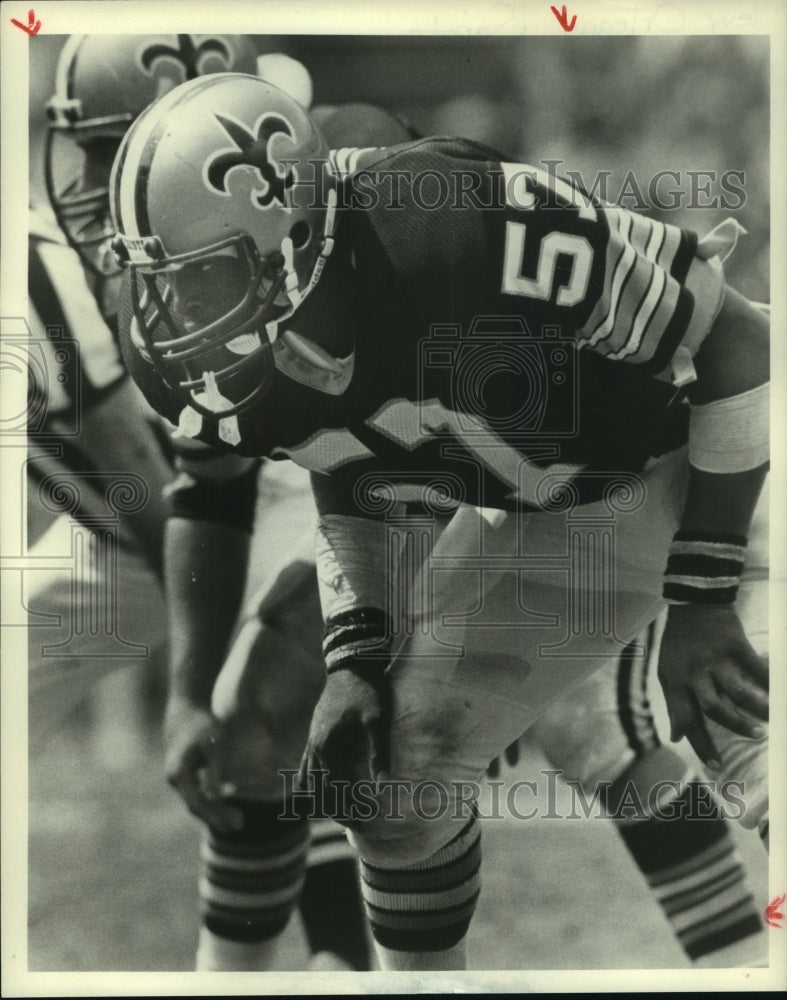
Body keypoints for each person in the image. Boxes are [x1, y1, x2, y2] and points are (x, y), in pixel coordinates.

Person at [110, 72, 770, 972]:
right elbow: (358, 473)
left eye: (204, 281)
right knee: (398, 784)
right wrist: (356, 656)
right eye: (163, 285)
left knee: (757, 748)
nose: (175, 318)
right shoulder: (260, 349)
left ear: (292, 239)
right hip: (560, 517)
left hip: (725, 459)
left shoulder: (458, 223)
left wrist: (702, 596)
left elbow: (736, 343)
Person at [32, 34, 373, 973]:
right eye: (96, 149)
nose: (98, 179)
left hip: (340, 486)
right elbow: (183, 473)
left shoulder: (297, 217)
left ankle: (343, 956)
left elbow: (149, 461)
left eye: (120, 147)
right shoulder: (114, 254)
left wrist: (199, 664)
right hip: (198, 496)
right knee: (253, 719)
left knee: (267, 714)